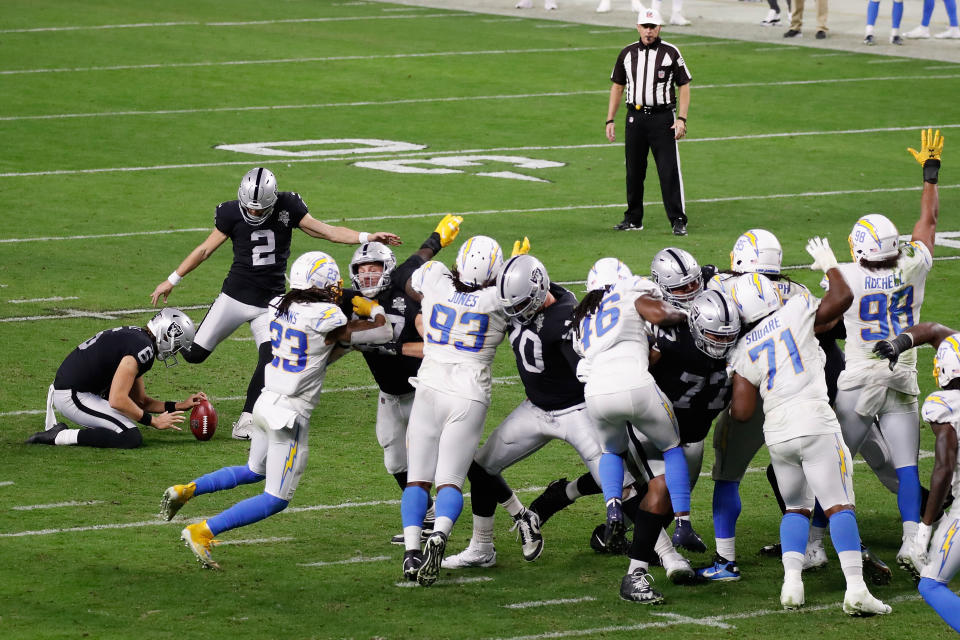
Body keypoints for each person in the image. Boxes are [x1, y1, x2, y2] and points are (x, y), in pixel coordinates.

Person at [165, 252, 393, 569]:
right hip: (289, 415)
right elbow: (382, 332)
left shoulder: (278, 304)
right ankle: (202, 531)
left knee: (252, 471)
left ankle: (187, 489)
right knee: (276, 499)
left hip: (265, 400)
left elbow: (328, 346)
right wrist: (375, 309)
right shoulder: (325, 315)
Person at [149, 167, 400, 441]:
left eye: (260, 210)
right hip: (234, 296)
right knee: (193, 355)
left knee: (270, 358)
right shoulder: (230, 213)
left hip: (271, 302)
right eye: (251, 209)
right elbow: (205, 249)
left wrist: (366, 237)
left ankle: (246, 420)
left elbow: (326, 231)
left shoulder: (288, 206)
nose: (255, 214)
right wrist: (172, 279)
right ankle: (162, 329)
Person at [728, 252, 889, 615]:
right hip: (815, 421)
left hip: (778, 432)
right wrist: (831, 265)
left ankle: (792, 584)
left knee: (796, 508)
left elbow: (741, 413)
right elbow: (842, 298)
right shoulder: (795, 308)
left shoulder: (745, 346)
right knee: (838, 504)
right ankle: (856, 589)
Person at [441, 253, 602, 570]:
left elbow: (586, 372)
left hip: (576, 411)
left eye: (520, 305)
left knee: (618, 485)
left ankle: (663, 555)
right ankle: (482, 547)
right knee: (481, 468)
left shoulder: (565, 316)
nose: (515, 313)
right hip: (535, 408)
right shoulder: (523, 295)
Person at [833, 128, 942, 576]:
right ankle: (912, 543)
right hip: (902, 376)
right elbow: (928, 225)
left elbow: (825, 315)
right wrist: (930, 174)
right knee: (908, 468)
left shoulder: (844, 275)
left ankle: (817, 542)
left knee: (834, 467)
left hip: (859, 377)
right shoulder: (913, 263)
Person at [572, 255, 697, 588]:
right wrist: (684, 314)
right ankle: (684, 522)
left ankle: (613, 508)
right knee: (671, 447)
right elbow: (658, 315)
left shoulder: (582, 318)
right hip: (636, 385)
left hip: (595, 395)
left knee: (611, 454)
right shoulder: (629, 288)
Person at [342, 214, 464, 544]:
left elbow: (420, 256)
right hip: (388, 393)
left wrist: (439, 237)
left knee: (442, 460)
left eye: (374, 269)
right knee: (394, 458)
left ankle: (454, 520)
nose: (368, 276)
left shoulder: (404, 285)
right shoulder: (351, 303)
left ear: (387, 268)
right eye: (362, 270)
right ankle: (425, 515)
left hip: (421, 389)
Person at [619, 284, 741, 604]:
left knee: (665, 504)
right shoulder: (672, 339)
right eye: (715, 336)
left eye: (728, 337)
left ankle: (613, 523)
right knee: (657, 491)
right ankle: (645, 568)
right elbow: (637, 365)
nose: (722, 343)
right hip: (651, 427)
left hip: (691, 436)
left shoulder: (741, 344)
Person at [399, 236, 510, 587]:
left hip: (429, 387)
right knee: (451, 481)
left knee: (418, 478)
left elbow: (409, 284)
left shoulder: (434, 277)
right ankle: (441, 535)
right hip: (468, 394)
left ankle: (412, 551)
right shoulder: (498, 299)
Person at [874, 323, 960, 632]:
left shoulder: (944, 405)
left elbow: (943, 468)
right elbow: (935, 330)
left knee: (931, 584)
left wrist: (924, 528)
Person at [28, 308, 204, 449]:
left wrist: (179, 405)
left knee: (127, 424)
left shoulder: (139, 339)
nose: (174, 352)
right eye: (176, 346)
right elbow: (118, 400)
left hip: (80, 391)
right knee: (129, 436)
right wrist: (154, 421)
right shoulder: (144, 350)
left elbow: (140, 401)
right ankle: (59, 436)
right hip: (73, 395)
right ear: (166, 335)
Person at [606, 7, 691, 236]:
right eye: (645, 26)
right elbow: (617, 86)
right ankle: (633, 218)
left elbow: (684, 85)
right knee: (634, 170)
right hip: (635, 117)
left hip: (663, 118)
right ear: (638, 27)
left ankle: (678, 219)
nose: (649, 31)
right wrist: (610, 119)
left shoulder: (671, 52)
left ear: (659, 28)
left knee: (668, 170)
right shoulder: (627, 53)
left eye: (653, 27)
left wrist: (681, 118)